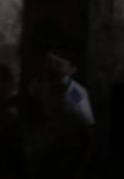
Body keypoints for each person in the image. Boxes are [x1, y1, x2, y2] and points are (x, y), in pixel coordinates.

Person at [20, 49, 95, 179]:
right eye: (48, 61)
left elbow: (87, 127)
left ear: (71, 70)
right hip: (49, 143)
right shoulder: (42, 82)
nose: (50, 67)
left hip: (67, 149)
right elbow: (27, 96)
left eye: (58, 64)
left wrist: (84, 158)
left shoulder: (76, 95)